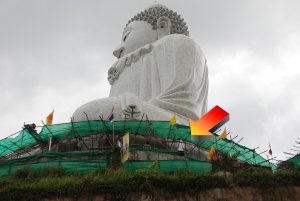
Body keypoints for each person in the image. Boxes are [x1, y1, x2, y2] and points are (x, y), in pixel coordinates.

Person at [73, 4, 208, 126]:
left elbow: (181, 109)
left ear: (162, 26)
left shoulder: (177, 43)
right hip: (138, 115)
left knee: (86, 114)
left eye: (126, 36)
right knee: (86, 115)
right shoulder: (125, 66)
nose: (117, 49)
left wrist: (134, 105)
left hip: (179, 122)